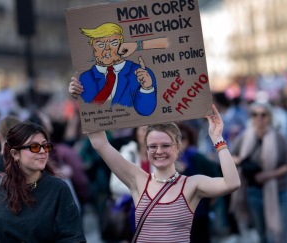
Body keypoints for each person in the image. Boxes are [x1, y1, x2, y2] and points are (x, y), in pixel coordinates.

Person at [70, 79, 240, 242]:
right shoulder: (138, 179)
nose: (159, 151)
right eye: (153, 146)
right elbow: (100, 143)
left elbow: (231, 183)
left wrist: (217, 138)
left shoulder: (192, 184)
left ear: (178, 147)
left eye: (166, 145)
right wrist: (85, 99)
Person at [0, 121, 86, 243]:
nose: (42, 151)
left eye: (45, 146)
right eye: (34, 147)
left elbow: (73, 238)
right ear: (15, 154)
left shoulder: (58, 188)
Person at [231, 102, 287, 243]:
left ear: (269, 117)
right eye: (255, 114)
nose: (259, 118)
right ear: (251, 117)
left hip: (278, 190)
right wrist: (243, 161)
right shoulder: (244, 136)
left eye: (263, 114)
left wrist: (268, 175)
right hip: (253, 192)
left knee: (278, 231)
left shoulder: (279, 137)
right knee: (262, 236)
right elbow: (231, 157)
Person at [73, 23, 169, 116]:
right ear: (93, 48)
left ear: (122, 45)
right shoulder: (86, 78)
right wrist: (76, 93)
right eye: (100, 44)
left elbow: (145, 111)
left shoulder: (141, 73)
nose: (107, 49)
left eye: (113, 43)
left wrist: (147, 88)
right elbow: (89, 114)